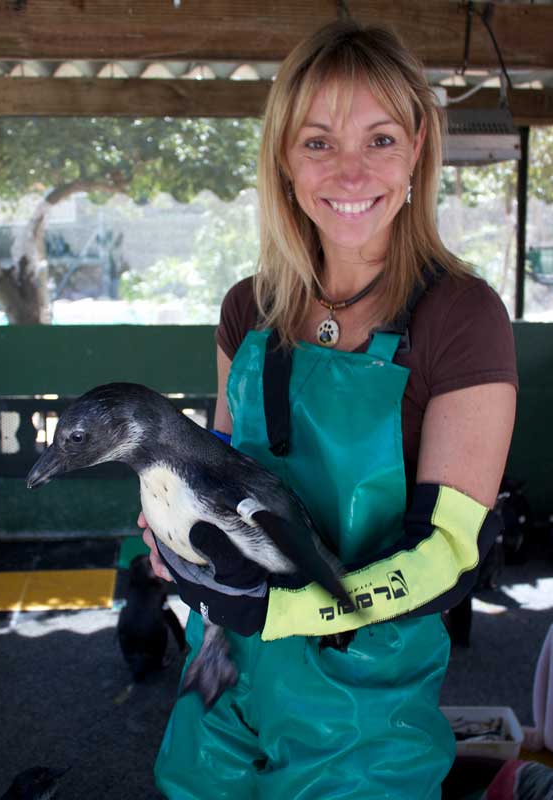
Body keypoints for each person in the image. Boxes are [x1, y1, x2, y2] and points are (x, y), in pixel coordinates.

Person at [139, 18, 518, 799]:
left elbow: (444, 559)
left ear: (418, 147)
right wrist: (170, 536)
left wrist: (273, 611)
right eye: (318, 142)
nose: (350, 172)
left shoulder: (460, 316)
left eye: (379, 139)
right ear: (284, 159)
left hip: (362, 710)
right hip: (220, 680)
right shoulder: (250, 308)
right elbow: (216, 466)